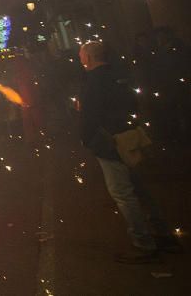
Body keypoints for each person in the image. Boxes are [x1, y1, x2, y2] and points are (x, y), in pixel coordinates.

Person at [78, 41, 181, 263]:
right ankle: (164, 235)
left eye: (81, 54)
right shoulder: (118, 75)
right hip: (128, 136)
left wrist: (87, 139)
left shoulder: (94, 81)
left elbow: (90, 116)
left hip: (110, 141)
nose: (80, 58)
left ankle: (143, 243)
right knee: (139, 188)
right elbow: (133, 104)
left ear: (88, 57)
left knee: (123, 193)